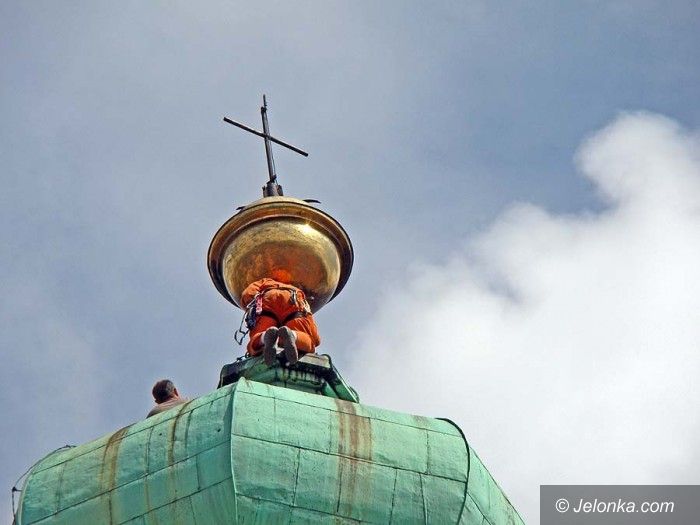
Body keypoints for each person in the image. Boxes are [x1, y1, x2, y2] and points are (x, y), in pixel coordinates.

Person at [241, 277, 320, 366]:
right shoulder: (299, 291)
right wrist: (315, 341)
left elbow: (247, 293)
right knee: (309, 342)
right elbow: (314, 334)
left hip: (269, 299)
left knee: (254, 343)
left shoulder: (266, 281)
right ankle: (293, 335)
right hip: (294, 299)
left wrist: (252, 305)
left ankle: (264, 336)